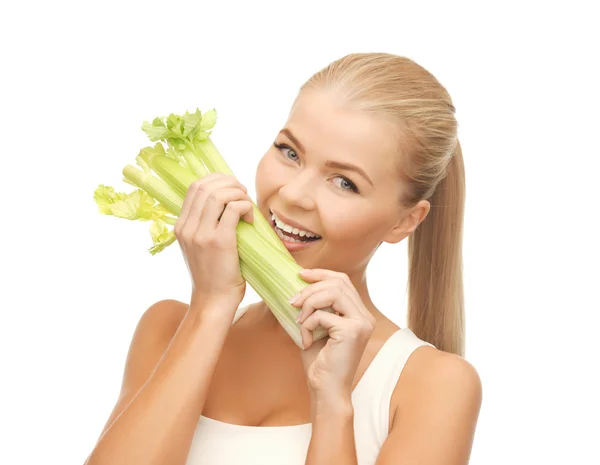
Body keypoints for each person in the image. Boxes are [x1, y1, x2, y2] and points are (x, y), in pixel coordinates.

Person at [84, 52, 482, 465]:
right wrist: (211, 305)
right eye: (289, 152)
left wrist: (332, 405)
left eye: (344, 182)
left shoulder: (432, 386)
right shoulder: (167, 330)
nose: (292, 194)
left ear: (404, 221)